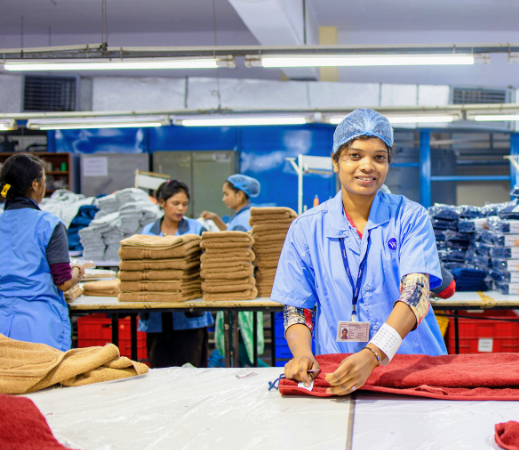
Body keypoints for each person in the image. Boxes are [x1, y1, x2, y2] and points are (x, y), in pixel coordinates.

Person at [272, 108, 446, 395]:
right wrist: (302, 353)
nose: (367, 166)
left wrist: (374, 354)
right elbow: (297, 308)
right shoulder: (306, 228)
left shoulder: (410, 217)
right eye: (355, 156)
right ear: (335, 162)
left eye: (379, 157)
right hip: (340, 368)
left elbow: (416, 295)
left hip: (413, 367)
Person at [0, 154, 90, 351]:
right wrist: (77, 270)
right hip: (37, 327)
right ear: (35, 184)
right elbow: (63, 282)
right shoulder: (49, 224)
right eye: (43, 179)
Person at [139, 180, 211, 368]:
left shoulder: (197, 230)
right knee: (160, 373)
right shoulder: (147, 232)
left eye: (184, 204)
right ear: (162, 203)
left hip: (190, 315)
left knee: (193, 372)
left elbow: (209, 266)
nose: (180, 209)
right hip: (156, 314)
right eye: (175, 203)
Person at [200, 175, 265, 367]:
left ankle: (274, 376)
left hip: (238, 289)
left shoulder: (242, 219)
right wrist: (216, 219)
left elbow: (235, 247)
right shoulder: (243, 216)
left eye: (226, 194)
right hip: (244, 288)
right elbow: (232, 234)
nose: (223, 198)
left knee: (242, 349)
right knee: (241, 348)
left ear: (239, 194)